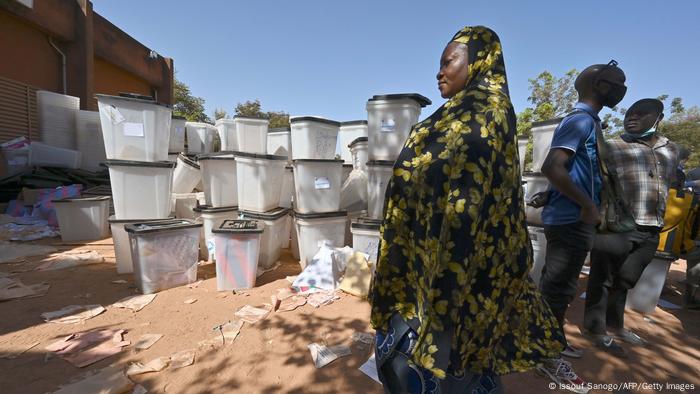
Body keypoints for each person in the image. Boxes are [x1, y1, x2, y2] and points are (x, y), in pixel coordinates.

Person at [370, 26, 569, 394]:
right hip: (427, 261)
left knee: (454, 361)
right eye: (440, 63)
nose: (439, 71)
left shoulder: (487, 113)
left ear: (480, 61)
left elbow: (469, 203)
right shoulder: (452, 115)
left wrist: (447, 283)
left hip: (461, 269)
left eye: (449, 61)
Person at [537, 61, 626, 365]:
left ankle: (544, 341)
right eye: (618, 83)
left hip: (569, 217)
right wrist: (588, 206)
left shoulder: (589, 122)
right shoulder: (581, 121)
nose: (622, 90)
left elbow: (575, 173)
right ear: (598, 84)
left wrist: (550, 194)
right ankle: (545, 352)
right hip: (571, 220)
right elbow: (552, 166)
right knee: (559, 288)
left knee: (555, 285)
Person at [583, 98, 680, 353]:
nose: (632, 117)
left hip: (652, 227)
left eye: (640, 113)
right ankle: (596, 330)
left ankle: (616, 326)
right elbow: (590, 179)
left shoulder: (672, 150)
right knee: (601, 279)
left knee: (626, 279)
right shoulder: (612, 147)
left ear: (658, 118)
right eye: (629, 113)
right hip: (616, 225)